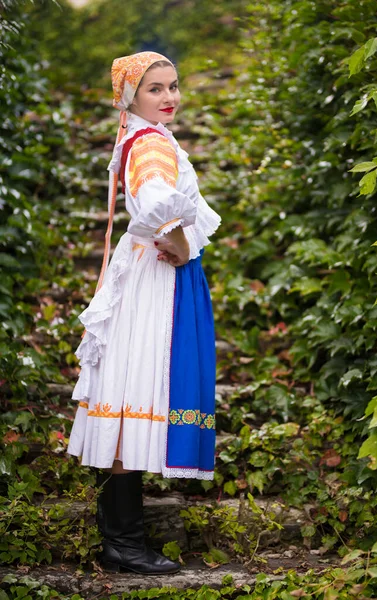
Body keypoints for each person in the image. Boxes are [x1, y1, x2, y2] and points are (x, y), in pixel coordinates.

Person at [67, 51, 221, 575]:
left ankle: (122, 538)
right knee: (135, 388)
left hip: (144, 274)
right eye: (156, 89)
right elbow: (156, 201)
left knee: (131, 392)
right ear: (132, 96)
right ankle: (123, 543)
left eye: (174, 86)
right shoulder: (151, 141)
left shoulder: (144, 136)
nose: (170, 97)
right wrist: (178, 242)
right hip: (153, 279)